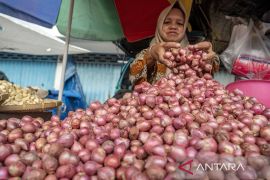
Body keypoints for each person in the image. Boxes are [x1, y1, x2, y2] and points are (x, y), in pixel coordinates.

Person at [129, 0, 220, 87]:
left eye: (179, 23)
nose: (173, 26)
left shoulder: (193, 54)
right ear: (159, 25)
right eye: (167, 22)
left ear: (184, 28)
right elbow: (133, 76)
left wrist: (208, 59)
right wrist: (151, 54)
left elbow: (212, 70)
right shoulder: (148, 53)